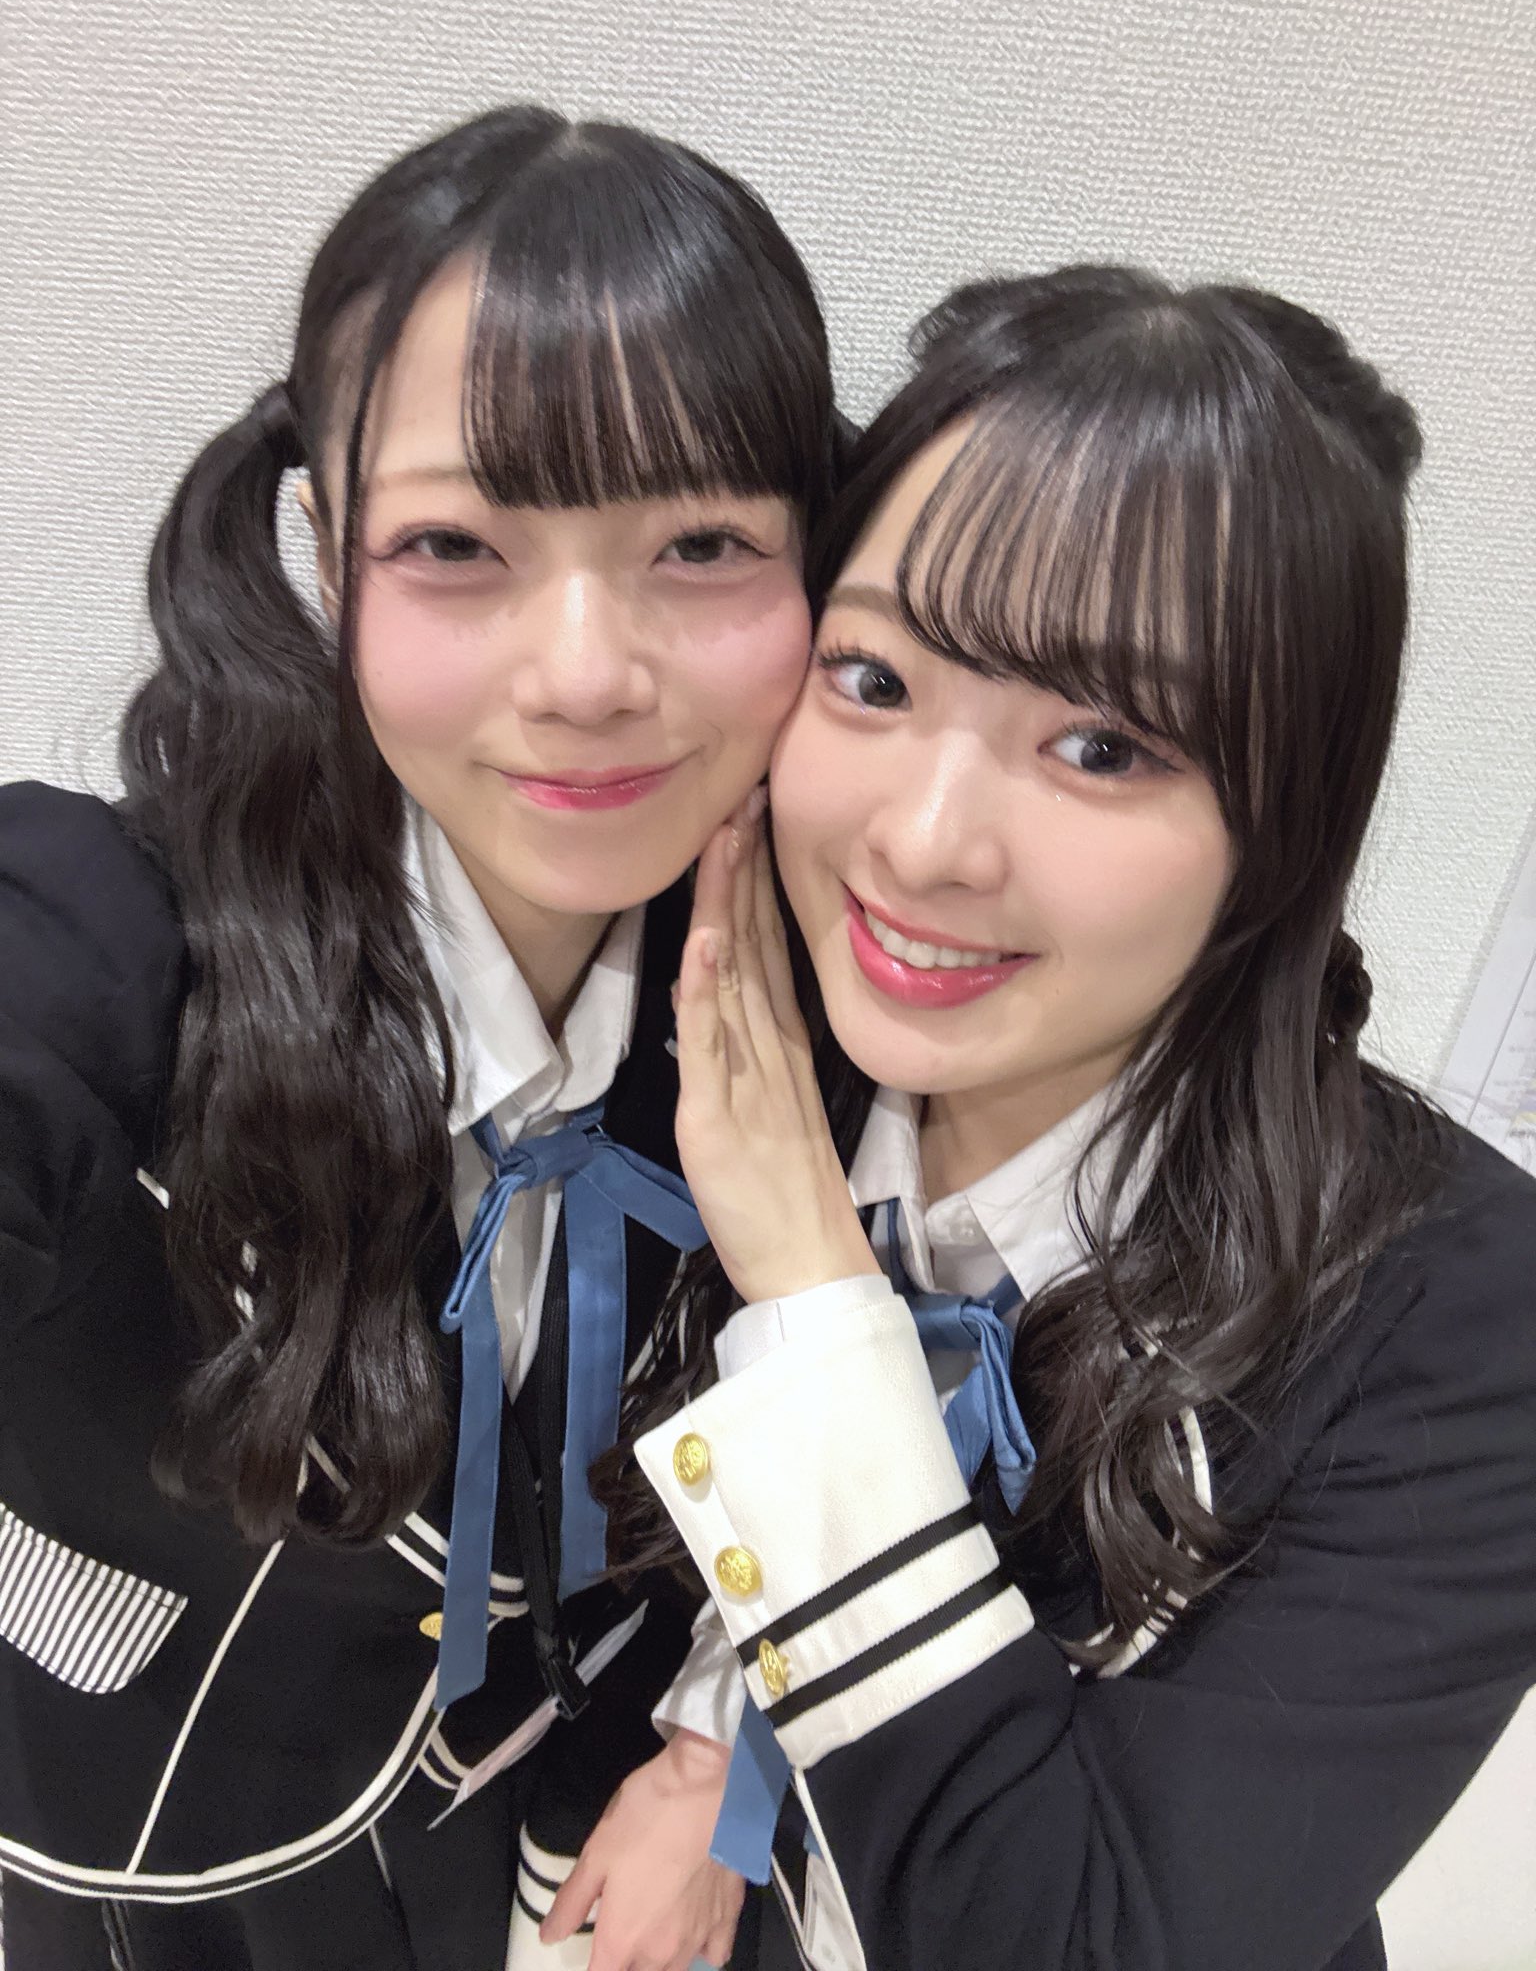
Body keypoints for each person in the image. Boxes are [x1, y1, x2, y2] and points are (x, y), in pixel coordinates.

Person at [573, 268, 1536, 1970]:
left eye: (1102, 747)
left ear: (1287, 826)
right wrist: (714, 1747)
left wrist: (812, 1290)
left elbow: (1076, 1939)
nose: (923, 842)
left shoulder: (1461, 1318)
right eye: (874, 679)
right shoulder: (731, 1036)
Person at [0, 102, 839, 1971]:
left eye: (703, 541)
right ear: (328, 553)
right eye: (459, 544)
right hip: (154, 1838)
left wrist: (728, 1741)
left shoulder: (816, 983)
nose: (586, 672)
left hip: (549, 1826)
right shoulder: (97, 940)